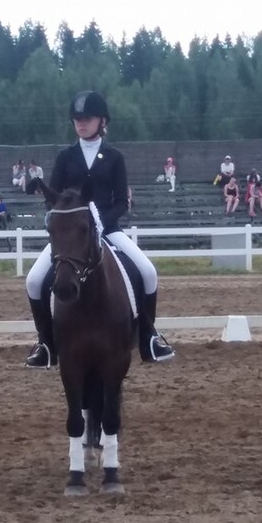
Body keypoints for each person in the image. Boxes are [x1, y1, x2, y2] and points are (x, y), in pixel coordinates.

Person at [25, 89, 175, 368]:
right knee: (34, 280)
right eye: (77, 119)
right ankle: (45, 343)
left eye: (87, 118)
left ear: (102, 121)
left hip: (108, 228)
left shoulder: (115, 157)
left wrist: (99, 222)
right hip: (73, 235)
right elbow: (54, 197)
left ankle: (148, 337)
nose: (81, 123)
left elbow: (121, 202)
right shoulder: (65, 157)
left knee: (148, 272)